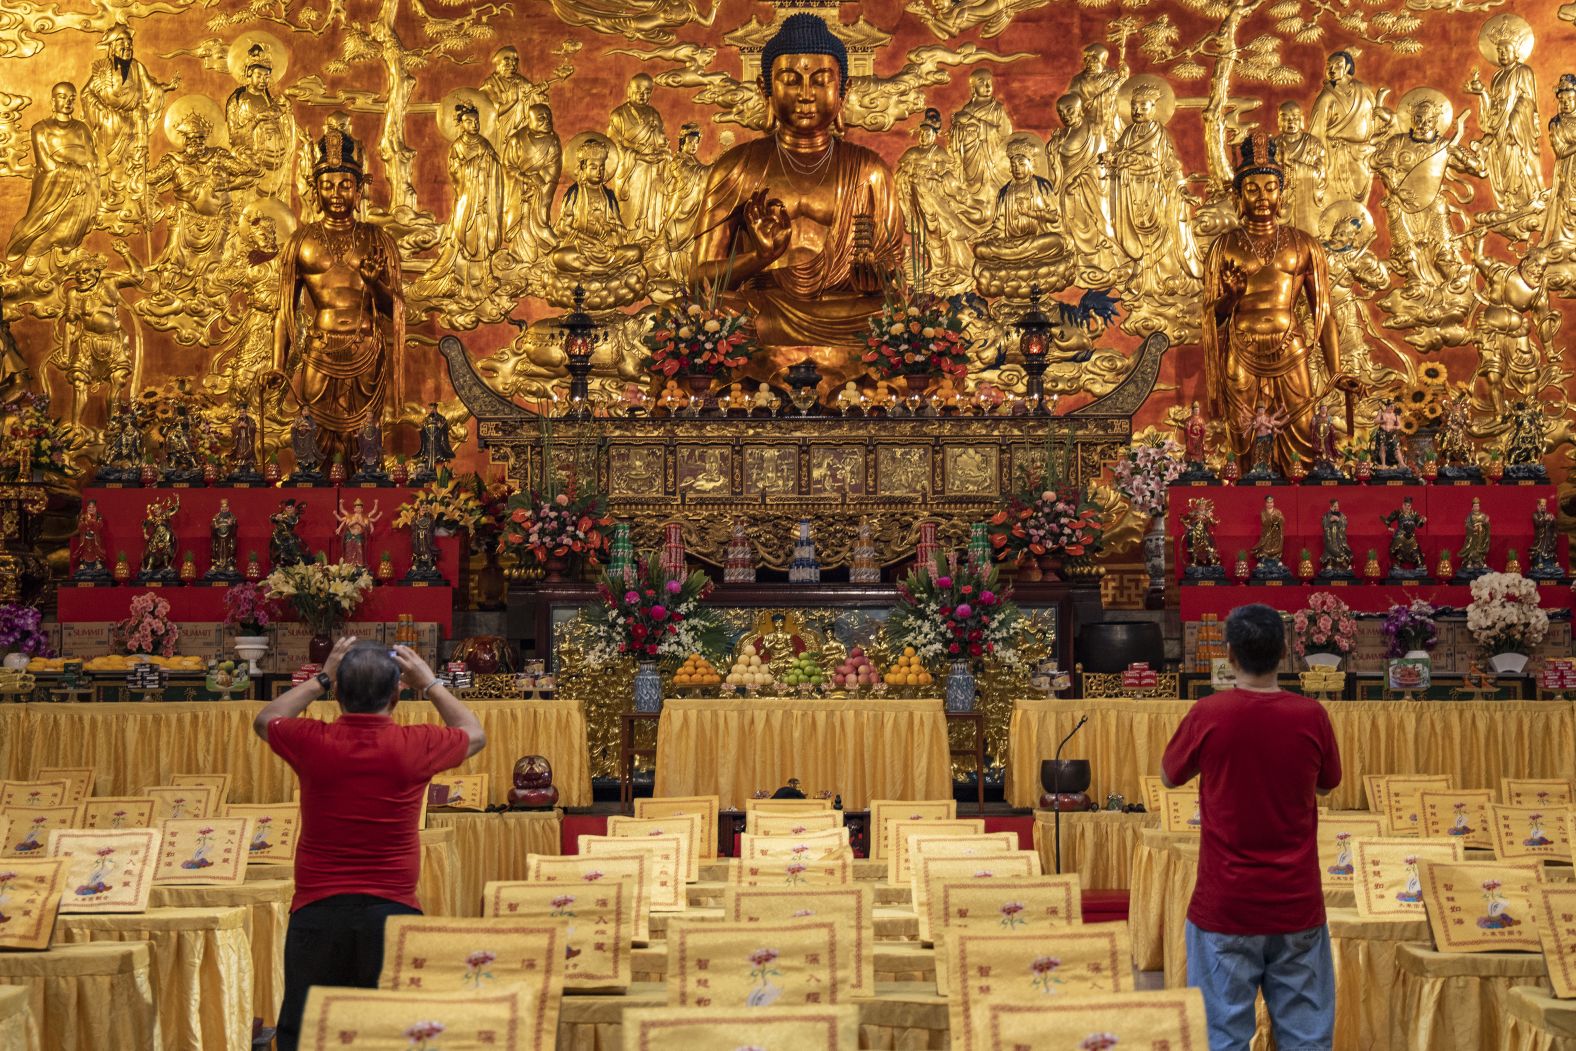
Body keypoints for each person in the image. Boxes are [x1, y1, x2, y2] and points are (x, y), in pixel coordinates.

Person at [253, 638, 486, 1051]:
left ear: (338, 693)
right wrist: (430, 683)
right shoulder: (416, 744)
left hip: (316, 910)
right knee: (389, 1035)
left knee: (307, 1033)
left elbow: (266, 718)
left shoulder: (312, 741)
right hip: (392, 911)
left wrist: (321, 677)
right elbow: (474, 734)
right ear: (398, 693)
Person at [1161, 603, 1342, 1050]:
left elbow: (1169, 775)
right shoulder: (1311, 715)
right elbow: (1327, 786)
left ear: (1229, 654)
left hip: (1226, 902)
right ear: (1285, 652)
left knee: (1223, 1037)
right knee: (1306, 1040)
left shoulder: (1209, 713)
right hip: (1295, 903)